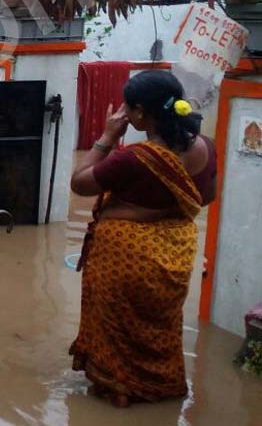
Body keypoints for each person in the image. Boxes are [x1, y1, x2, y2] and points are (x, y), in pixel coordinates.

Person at [69, 71, 216, 407]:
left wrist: (107, 136)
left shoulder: (133, 158)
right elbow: (206, 196)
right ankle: (160, 389)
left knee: (118, 330)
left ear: (138, 113)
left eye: (127, 108)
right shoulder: (206, 148)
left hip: (126, 258)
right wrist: (162, 211)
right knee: (159, 327)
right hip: (175, 255)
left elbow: (80, 183)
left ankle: (119, 391)